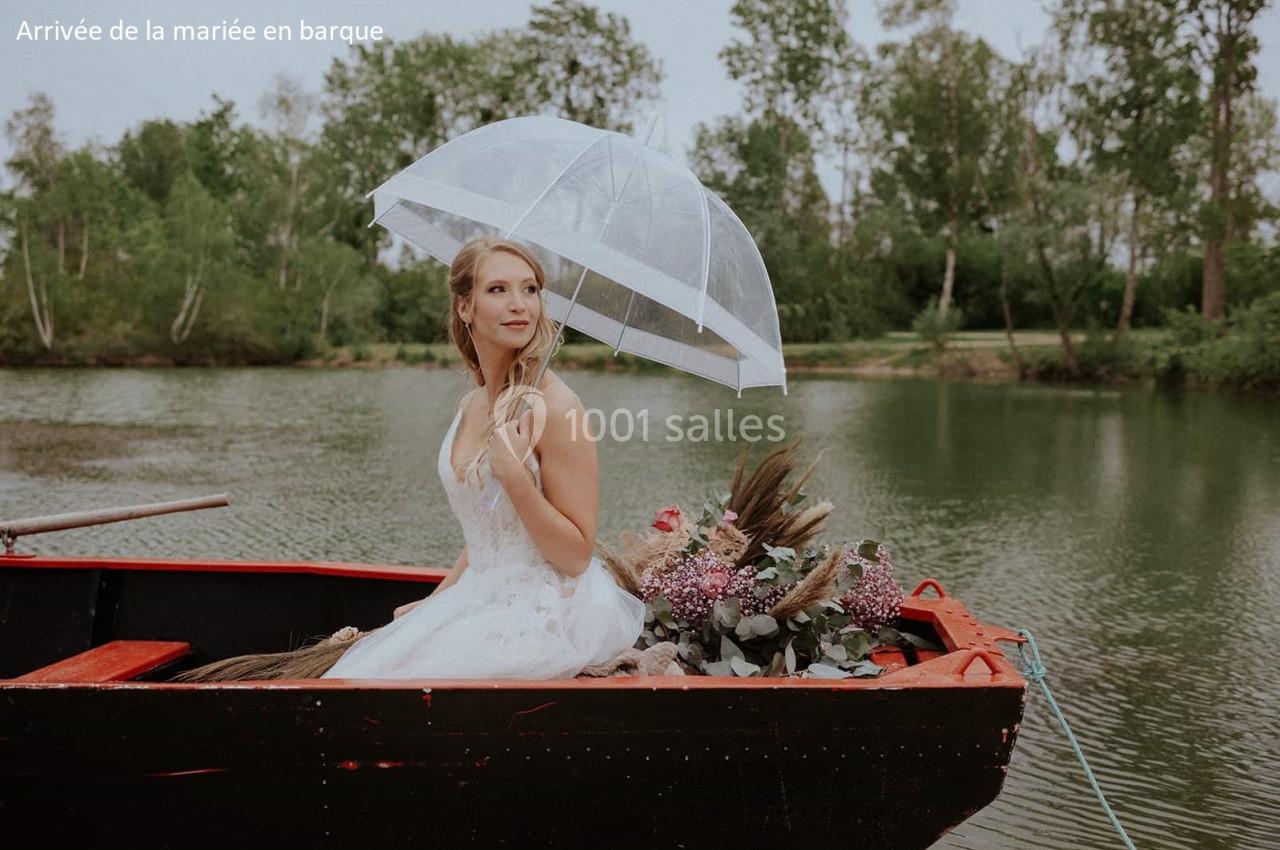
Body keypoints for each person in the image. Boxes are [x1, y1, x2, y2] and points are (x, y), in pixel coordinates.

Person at [318, 235, 644, 679]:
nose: (520, 305)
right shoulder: (473, 405)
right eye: (498, 290)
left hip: (544, 612)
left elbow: (574, 556)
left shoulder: (558, 408)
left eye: (530, 289)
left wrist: (515, 477)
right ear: (464, 307)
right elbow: (486, 532)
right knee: (355, 674)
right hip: (479, 591)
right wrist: (436, 603)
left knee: (384, 682)